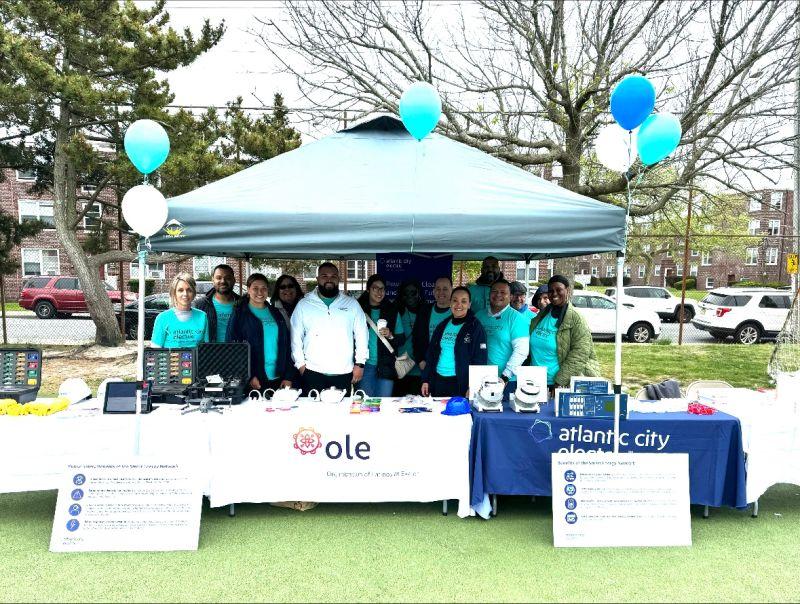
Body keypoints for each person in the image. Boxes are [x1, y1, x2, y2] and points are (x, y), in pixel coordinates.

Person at [290, 262, 369, 394]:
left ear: (338, 279)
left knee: (341, 413)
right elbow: (295, 337)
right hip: (312, 372)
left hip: (343, 372)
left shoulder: (352, 304)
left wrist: (360, 363)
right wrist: (301, 365)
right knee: (313, 413)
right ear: (317, 279)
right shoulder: (304, 304)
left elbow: (362, 334)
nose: (329, 279)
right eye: (324, 276)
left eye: (333, 276)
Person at [528, 275, 600, 389]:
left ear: (567, 290)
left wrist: (559, 381)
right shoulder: (543, 315)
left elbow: (580, 354)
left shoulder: (576, 319)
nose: (554, 294)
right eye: (551, 291)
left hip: (558, 384)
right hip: (534, 382)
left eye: (559, 290)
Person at [228, 273, 296, 392]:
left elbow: (287, 345)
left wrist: (288, 376)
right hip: (254, 379)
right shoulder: (239, 313)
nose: (260, 292)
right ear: (248, 290)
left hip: (279, 378)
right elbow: (232, 347)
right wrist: (248, 376)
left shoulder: (275, 313)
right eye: (255, 288)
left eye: (264, 288)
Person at [421, 286, 487, 398]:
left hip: (460, 383)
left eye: (464, 301)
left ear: (469, 304)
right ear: (450, 303)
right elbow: (431, 354)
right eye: (455, 300)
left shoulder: (475, 327)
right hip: (438, 381)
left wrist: (473, 386)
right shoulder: (442, 325)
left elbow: (480, 359)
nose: (459, 305)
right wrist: (426, 379)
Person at [476, 279, 529, 395]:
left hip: (505, 382)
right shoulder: (479, 316)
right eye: (494, 291)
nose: (498, 295)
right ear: (489, 295)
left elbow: (521, 351)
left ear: (510, 297)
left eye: (503, 292)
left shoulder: (517, 319)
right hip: (479, 378)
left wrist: (505, 376)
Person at [357, 274, 405, 396]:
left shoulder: (392, 311)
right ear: (368, 289)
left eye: (382, 288)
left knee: (384, 404)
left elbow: (401, 340)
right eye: (375, 288)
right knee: (365, 404)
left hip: (386, 366)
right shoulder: (358, 309)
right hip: (365, 366)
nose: (379, 292)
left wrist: (390, 335)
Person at [151, 273, 209, 348]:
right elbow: (155, 350)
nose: (185, 294)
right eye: (180, 290)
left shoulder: (202, 316)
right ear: (174, 293)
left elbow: (207, 347)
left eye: (189, 290)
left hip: (198, 359)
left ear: (194, 293)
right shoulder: (162, 318)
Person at [412, 275, 453, 380]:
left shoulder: (458, 312)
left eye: (445, 289)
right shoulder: (424, 311)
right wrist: (420, 360)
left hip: (451, 369)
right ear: (434, 291)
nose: (441, 292)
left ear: (452, 290)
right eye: (438, 289)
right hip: (427, 366)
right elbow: (416, 338)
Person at [393, 279, 425, 395]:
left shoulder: (426, 312)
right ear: (401, 295)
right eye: (406, 293)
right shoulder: (397, 312)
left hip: (420, 369)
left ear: (419, 293)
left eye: (413, 292)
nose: (409, 296)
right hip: (401, 368)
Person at [194, 263, 240, 343]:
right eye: (219, 278)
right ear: (213, 280)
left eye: (227, 278)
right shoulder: (200, 305)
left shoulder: (242, 304)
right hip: (210, 353)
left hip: (237, 352)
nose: (223, 281)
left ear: (234, 280)